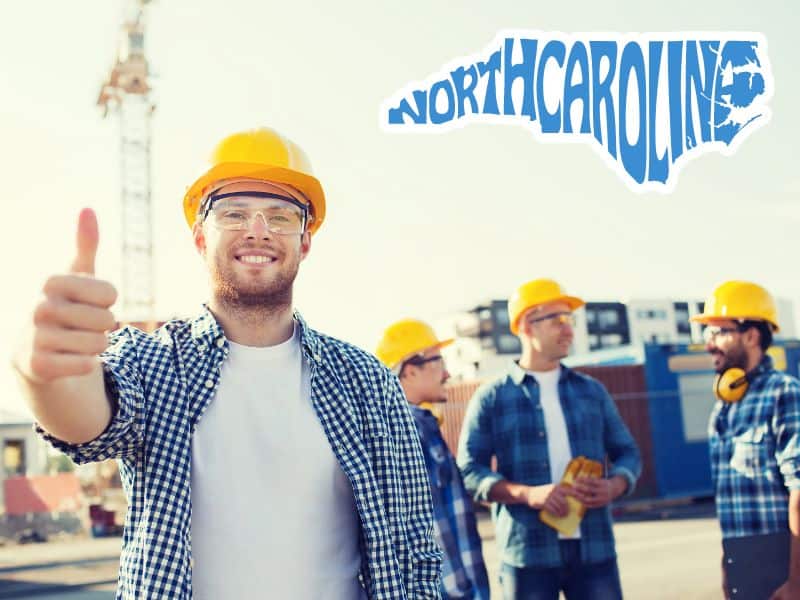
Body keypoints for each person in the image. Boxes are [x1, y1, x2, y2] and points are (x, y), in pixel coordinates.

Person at [11, 127, 442, 600]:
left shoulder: (367, 382)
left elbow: (414, 549)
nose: (257, 229)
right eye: (234, 212)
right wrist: (44, 373)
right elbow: (88, 421)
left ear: (305, 243)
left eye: (280, 216)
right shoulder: (156, 363)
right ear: (199, 237)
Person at [457, 278, 641, 600]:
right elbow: (470, 470)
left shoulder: (592, 392)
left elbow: (628, 453)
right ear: (527, 325)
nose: (568, 329)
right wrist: (527, 494)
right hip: (528, 555)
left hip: (594, 550)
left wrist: (615, 485)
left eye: (569, 320)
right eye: (558, 320)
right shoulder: (492, 397)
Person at [691, 280, 800, 600]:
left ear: (751, 335)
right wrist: (729, 567)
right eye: (706, 333)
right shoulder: (723, 408)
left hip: (781, 559)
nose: (709, 343)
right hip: (740, 561)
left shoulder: (784, 392)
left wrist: (797, 583)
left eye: (718, 332)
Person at [376, 319, 491, 599]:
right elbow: (428, 528)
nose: (448, 372)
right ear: (411, 371)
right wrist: (460, 591)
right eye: (438, 361)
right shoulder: (405, 433)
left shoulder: (417, 426)